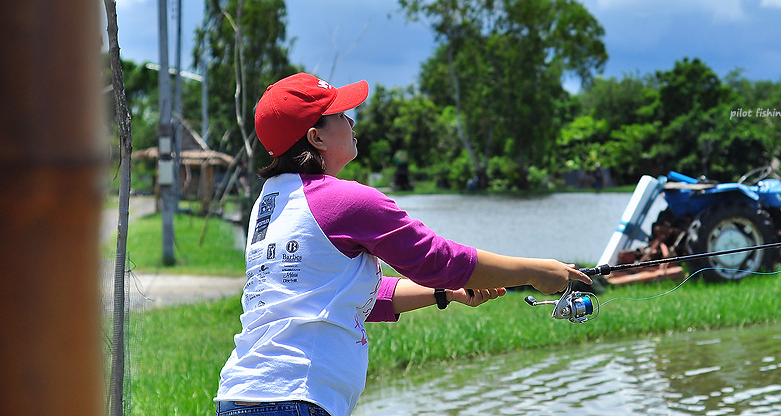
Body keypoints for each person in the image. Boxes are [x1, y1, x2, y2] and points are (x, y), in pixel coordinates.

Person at [215, 73, 590, 416]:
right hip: (295, 399)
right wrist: (537, 272)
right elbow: (437, 259)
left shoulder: (269, 203)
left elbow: (349, 296)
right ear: (316, 137)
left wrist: (446, 292)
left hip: (240, 397)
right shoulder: (345, 200)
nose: (352, 121)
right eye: (342, 114)